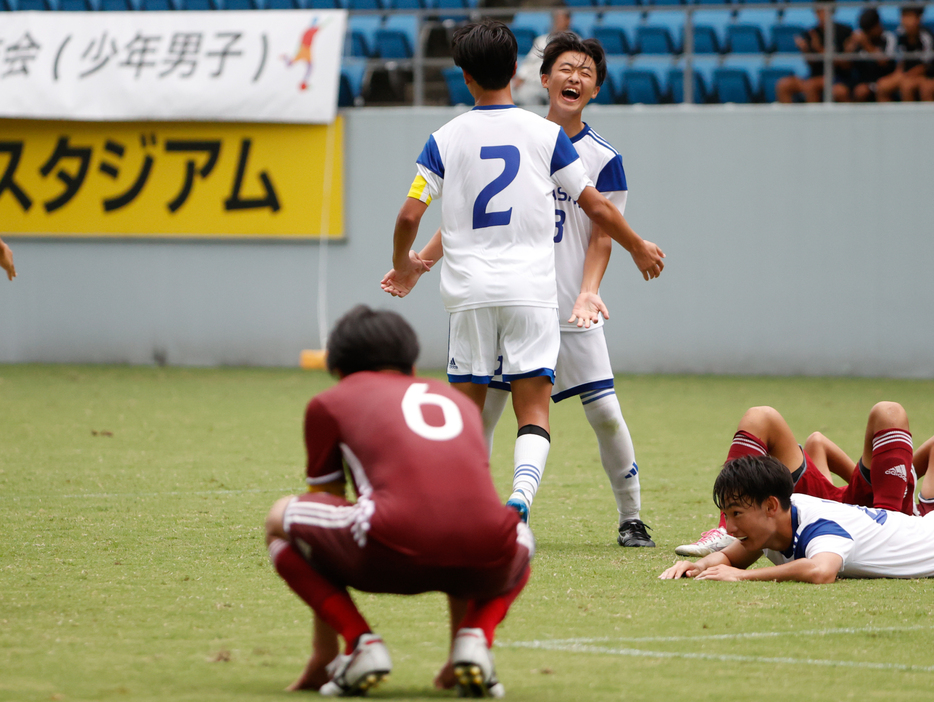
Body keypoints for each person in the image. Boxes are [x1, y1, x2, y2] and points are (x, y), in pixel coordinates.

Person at [384, 20, 665, 526]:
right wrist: (639, 245)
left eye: (585, 71)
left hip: (513, 300)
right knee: (518, 410)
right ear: (532, 74)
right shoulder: (542, 136)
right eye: (566, 67)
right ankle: (508, 502)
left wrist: (408, 264)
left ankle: (626, 517)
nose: (575, 76)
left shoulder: (452, 138)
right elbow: (595, 211)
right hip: (529, 295)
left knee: (571, 412)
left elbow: (416, 214)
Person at [264, 305, 534, 697]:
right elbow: (459, 507)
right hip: (484, 553)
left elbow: (324, 504)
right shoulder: (456, 401)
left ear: (339, 368)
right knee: (520, 538)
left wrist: (323, 654)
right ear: (409, 363)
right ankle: (473, 640)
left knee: (280, 520)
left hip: (388, 549)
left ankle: (359, 644)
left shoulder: (329, 402)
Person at [674, 402, 917, 557]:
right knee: (760, 416)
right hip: (839, 503)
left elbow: (818, 441)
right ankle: (727, 532)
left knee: (889, 411)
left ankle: (890, 528)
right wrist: (867, 474)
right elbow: (818, 442)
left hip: (881, 515)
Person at [659, 454, 934, 583]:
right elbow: (731, 558)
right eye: (727, 515)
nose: (730, 527)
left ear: (770, 506)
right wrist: (696, 566)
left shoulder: (819, 525)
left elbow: (821, 571)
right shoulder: (772, 525)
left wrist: (743, 577)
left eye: (737, 514)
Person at [776, 0, 853, 103]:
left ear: (832, 12)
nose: (821, 15)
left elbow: (845, 65)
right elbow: (811, 63)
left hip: (837, 77)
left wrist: (819, 49)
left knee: (813, 86)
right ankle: (787, 119)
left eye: (824, 11)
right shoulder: (811, 33)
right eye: (818, 12)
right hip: (814, 76)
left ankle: (813, 119)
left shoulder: (844, 31)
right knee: (784, 84)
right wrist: (805, 50)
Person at [512, 9, 571, 106]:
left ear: (568, 21)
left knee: (527, 95)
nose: (557, 22)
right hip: (528, 82)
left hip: (546, 85)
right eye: (555, 19)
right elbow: (529, 61)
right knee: (506, 89)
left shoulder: (574, 42)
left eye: (560, 19)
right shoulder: (541, 40)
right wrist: (520, 77)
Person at [876, 6, 934, 102]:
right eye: (903, 17)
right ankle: (889, 116)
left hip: (925, 75)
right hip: (906, 73)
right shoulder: (900, 35)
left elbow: (926, 66)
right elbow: (900, 61)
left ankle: (913, 117)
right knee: (881, 86)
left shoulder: (926, 37)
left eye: (909, 17)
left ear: (918, 19)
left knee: (907, 86)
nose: (905, 21)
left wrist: (907, 75)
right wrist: (899, 74)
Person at [844, 8, 896, 102]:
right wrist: (848, 51)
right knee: (844, 90)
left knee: (873, 89)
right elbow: (847, 67)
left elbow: (884, 63)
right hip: (861, 81)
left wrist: (866, 45)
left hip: (884, 79)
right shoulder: (858, 42)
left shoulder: (888, 38)